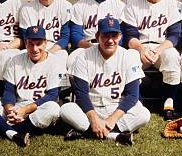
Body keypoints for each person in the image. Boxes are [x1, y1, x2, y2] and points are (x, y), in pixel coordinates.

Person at [61, 16, 151, 146]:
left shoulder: (128, 56)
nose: (110, 40)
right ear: (97, 36)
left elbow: (133, 96)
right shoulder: (83, 56)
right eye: (105, 36)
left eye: (114, 35)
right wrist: (94, 119)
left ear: (120, 37)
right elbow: (81, 94)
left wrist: (112, 119)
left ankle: (86, 133)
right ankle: (115, 135)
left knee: (144, 114)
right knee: (66, 109)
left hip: (116, 108)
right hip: (91, 109)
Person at [0, 26, 63, 148]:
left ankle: (3, 129)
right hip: (17, 107)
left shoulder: (55, 62)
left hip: (38, 108)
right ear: (25, 43)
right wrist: (10, 110)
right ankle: (15, 133)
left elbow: (52, 96)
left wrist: (25, 110)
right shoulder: (16, 60)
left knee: (53, 108)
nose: (35, 48)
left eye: (39, 44)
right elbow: (8, 91)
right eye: (30, 44)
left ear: (46, 43)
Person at [121, 0, 182, 120]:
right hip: (140, 47)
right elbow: (130, 36)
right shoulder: (132, 6)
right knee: (130, 56)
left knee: (172, 55)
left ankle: (169, 102)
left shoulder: (172, 4)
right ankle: (137, 101)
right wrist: (141, 49)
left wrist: (159, 50)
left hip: (162, 47)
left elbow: (174, 36)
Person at [17, 0, 71, 84]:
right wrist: (40, 52)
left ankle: (61, 93)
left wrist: (49, 53)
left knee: (61, 57)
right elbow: (25, 37)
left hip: (56, 48)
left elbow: (65, 38)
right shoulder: (27, 9)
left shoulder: (65, 6)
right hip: (34, 48)